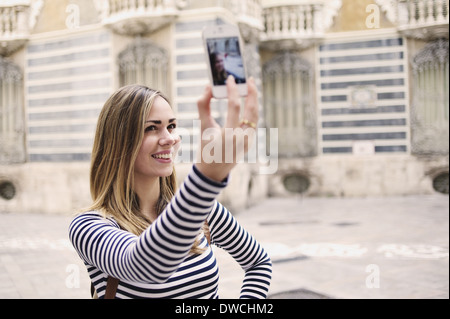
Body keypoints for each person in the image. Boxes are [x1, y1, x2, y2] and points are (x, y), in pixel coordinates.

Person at [69, 76, 272, 299]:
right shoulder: (89, 226)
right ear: (119, 140)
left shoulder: (204, 212)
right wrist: (206, 178)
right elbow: (147, 266)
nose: (170, 139)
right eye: (151, 128)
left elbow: (258, 263)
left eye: (171, 126)